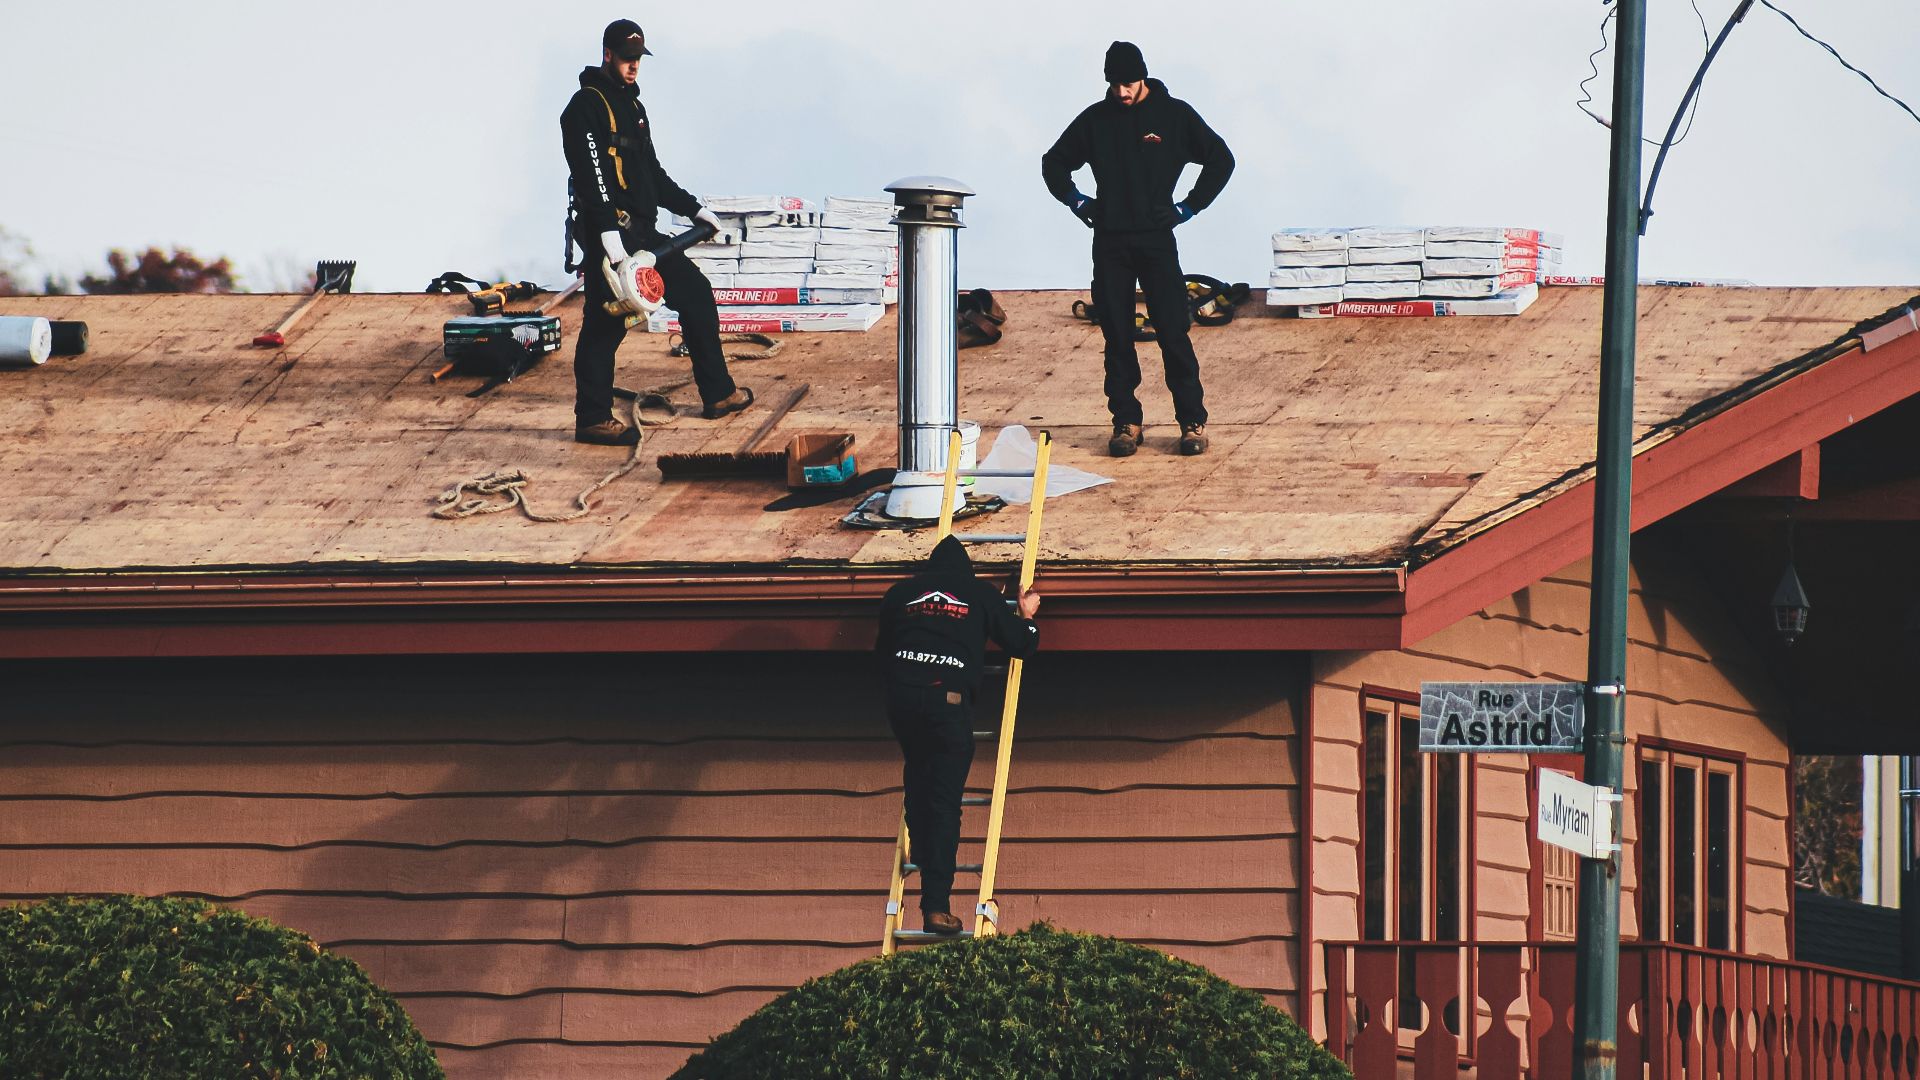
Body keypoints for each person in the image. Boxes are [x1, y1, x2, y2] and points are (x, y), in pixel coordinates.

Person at [561, 19, 754, 446]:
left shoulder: (633, 108)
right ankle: (592, 418)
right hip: (611, 239)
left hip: (644, 237)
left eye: (638, 60)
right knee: (604, 326)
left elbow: (653, 175)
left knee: (696, 295)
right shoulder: (584, 107)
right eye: (627, 58)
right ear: (607, 54)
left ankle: (718, 394)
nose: (633, 67)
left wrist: (694, 209)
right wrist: (609, 239)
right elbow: (592, 178)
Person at [1041, 40, 1235, 458]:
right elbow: (1053, 162)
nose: (1121, 92)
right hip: (1109, 240)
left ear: (1142, 76)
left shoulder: (1175, 116)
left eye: (1128, 83)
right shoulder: (1096, 120)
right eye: (1114, 84)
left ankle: (1191, 422)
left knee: (1173, 331)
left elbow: (1222, 159)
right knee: (1116, 334)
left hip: (1156, 239)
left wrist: (1188, 207)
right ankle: (1126, 422)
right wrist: (1078, 202)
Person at [876, 536, 1041, 935]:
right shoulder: (979, 594)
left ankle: (925, 858)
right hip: (946, 706)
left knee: (918, 785)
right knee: (946, 803)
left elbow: (882, 652)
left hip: (902, 702)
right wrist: (1027, 615)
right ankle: (936, 907)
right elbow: (1022, 645)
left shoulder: (899, 594)